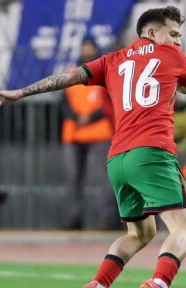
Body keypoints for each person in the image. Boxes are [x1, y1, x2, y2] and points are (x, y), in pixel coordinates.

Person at [0, 6, 186, 288]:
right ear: (152, 33)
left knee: (141, 232)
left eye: (179, 36)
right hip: (152, 153)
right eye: (173, 34)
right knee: (184, 230)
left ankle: (97, 287)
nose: (177, 41)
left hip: (118, 160)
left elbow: (68, 78)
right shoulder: (172, 57)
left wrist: (22, 92)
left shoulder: (112, 60)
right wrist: (174, 82)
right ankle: (160, 285)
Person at [61, 39, 115, 230]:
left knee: (102, 179)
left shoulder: (104, 73)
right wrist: (76, 117)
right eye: (84, 48)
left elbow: (108, 103)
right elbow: (63, 101)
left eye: (90, 48)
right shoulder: (70, 73)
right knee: (72, 179)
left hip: (98, 133)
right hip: (73, 134)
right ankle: (74, 219)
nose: (87, 51)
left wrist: (90, 117)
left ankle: (106, 220)